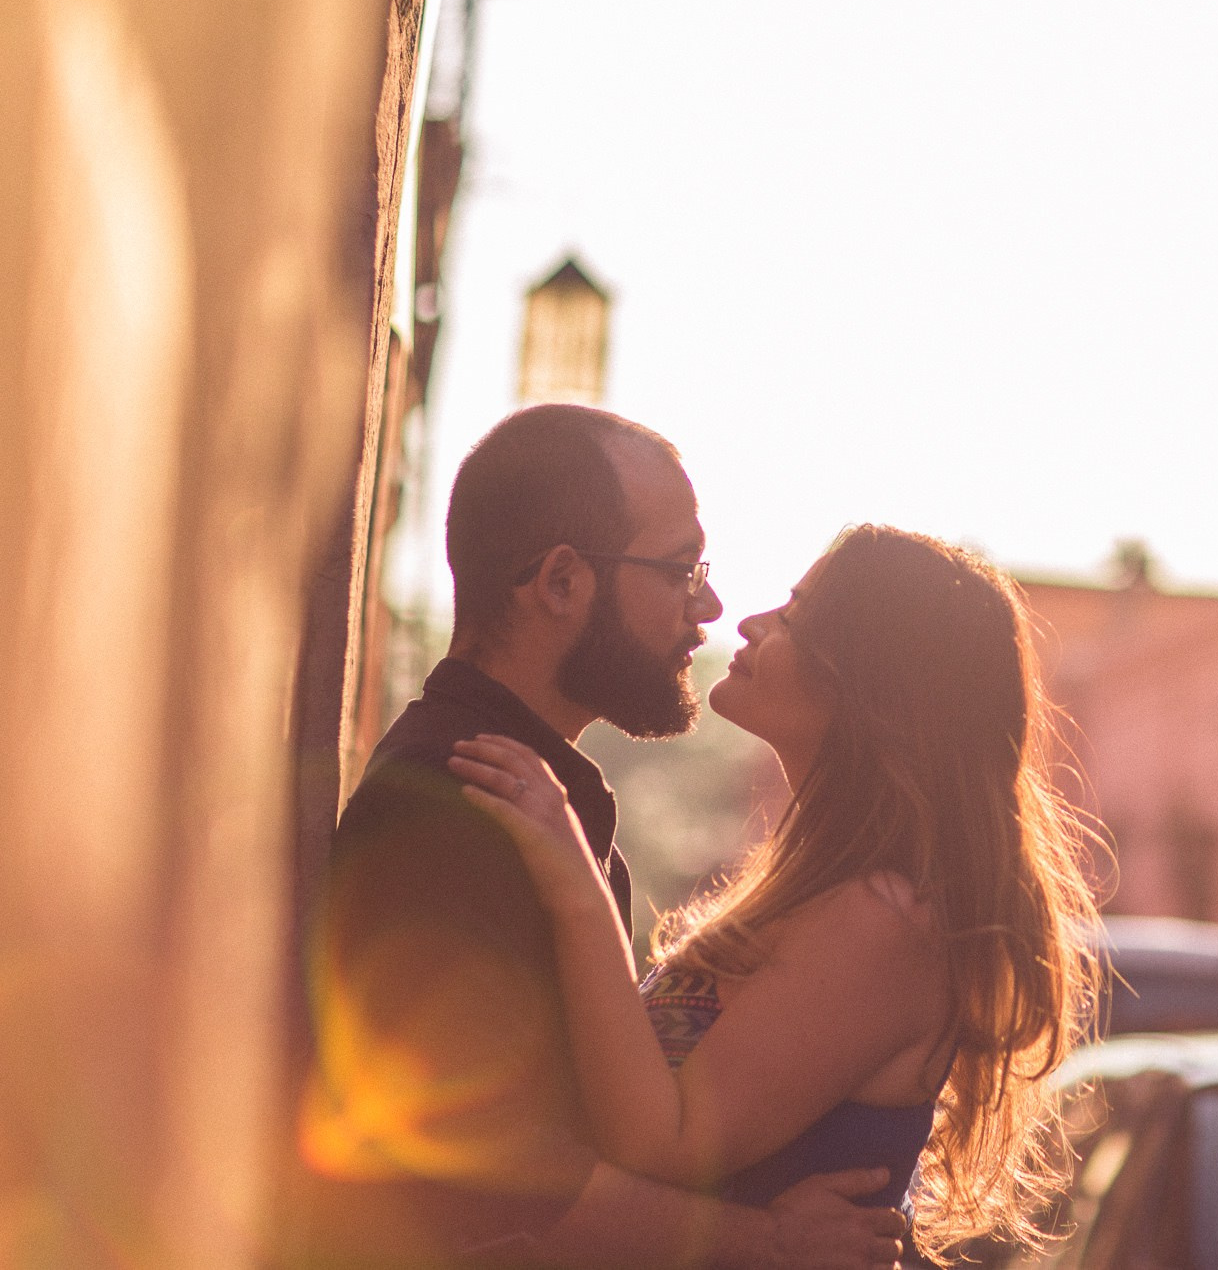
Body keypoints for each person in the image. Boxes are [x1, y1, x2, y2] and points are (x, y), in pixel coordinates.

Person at [299, 404, 908, 1269]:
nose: (710, 604)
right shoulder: (450, 803)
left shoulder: (533, 799)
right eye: (680, 568)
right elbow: (477, 1167)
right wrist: (766, 1241)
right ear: (560, 582)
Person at [449, 523, 1103, 1264]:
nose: (750, 624)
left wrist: (575, 888)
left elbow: (665, 1141)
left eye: (793, 617)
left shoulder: (885, 918)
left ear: (866, 679)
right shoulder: (820, 891)